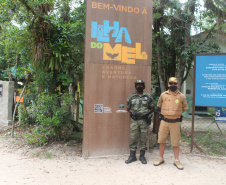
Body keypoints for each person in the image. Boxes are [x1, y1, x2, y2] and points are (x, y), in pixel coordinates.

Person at [153, 77, 188, 170]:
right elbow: (159, 105)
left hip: (175, 123)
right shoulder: (163, 95)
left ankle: (176, 160)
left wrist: (176, 114)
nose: (173, 85)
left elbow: (184, 107)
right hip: (164, 121)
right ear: (168, 84)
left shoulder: (181, 96)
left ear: (178, 85)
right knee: (161, 141)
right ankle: (160, 158)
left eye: (174, 83)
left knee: (175, 142)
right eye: (171, 83)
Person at [125, 79, 154, 164]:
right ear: (135, 86)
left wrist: (146, 114)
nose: (139, 86)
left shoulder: (148, 97)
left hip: (144, 121)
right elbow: (128, 108)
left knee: (143, 138)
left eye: (141, 85)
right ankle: (132, 156)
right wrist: (133, 113)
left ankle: (142, 157)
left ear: (144, 86)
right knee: (133, 138)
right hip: (134, 121)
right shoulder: (131, 97)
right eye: (137, 85)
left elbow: (152, 108)